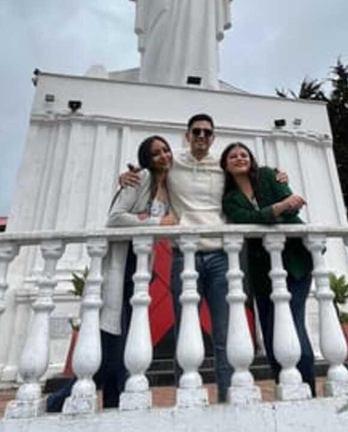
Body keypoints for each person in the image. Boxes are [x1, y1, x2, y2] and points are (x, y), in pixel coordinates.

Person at [119, 114, 289, 403]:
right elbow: (151, 170)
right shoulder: (173, 163)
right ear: (187, 135)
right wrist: (126, 178)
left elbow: (250, 176)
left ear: (213, 137)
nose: (201, 136)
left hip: (221, 254)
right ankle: (186, 397)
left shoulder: (222, 167)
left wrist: (278, 177)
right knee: (185, 328)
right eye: (196, 131)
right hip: (183, 255)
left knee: (224, 333)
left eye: (207, 132)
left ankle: (226, 396)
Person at [47, 135, 176, 412]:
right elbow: (115, 218)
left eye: (166, 150)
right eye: (156, 153)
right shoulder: (139, 179)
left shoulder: (171, 186)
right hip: (122, 262)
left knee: (125, 335)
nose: (164, 156)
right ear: (147, 160)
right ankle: (61, 400)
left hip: (142, 266)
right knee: (112, 336)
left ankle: (109, 402)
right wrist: (155, 221)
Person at [220, 142, 316, 396]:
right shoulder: (229, 198)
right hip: (262, 270)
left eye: (244, 154)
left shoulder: (267, 175)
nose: (240, 158)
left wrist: (282, 206)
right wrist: (279, 208)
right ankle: (284, 385)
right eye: (233, 156)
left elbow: (293, 202)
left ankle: (308, 389)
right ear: (225, 165)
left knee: (293, 325)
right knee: (272, 332)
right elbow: (244, 219)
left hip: (295, 263)